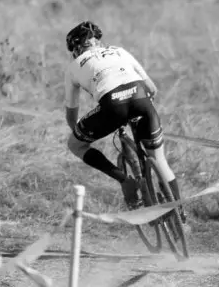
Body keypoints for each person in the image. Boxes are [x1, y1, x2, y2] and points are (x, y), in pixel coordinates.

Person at [63, 21, 185, 219]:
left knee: (75, 145)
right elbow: (152, 89)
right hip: (141, 100)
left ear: (77, 48)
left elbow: (71, 112)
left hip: (112, 106)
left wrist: (77, 132)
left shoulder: (73, 67)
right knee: (159, 159)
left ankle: (124, 180)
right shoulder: (120, 51)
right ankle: (180, 214)